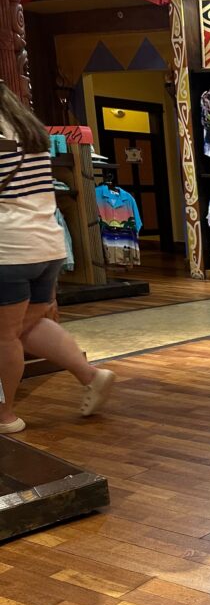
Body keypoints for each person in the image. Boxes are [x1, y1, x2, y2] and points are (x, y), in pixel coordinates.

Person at [0, 80, 113, 434]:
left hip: (9, 249)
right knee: (28, 325)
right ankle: (91, 375)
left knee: (5, 336)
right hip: (47, 243)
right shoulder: (27, 130)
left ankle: (4, 416)